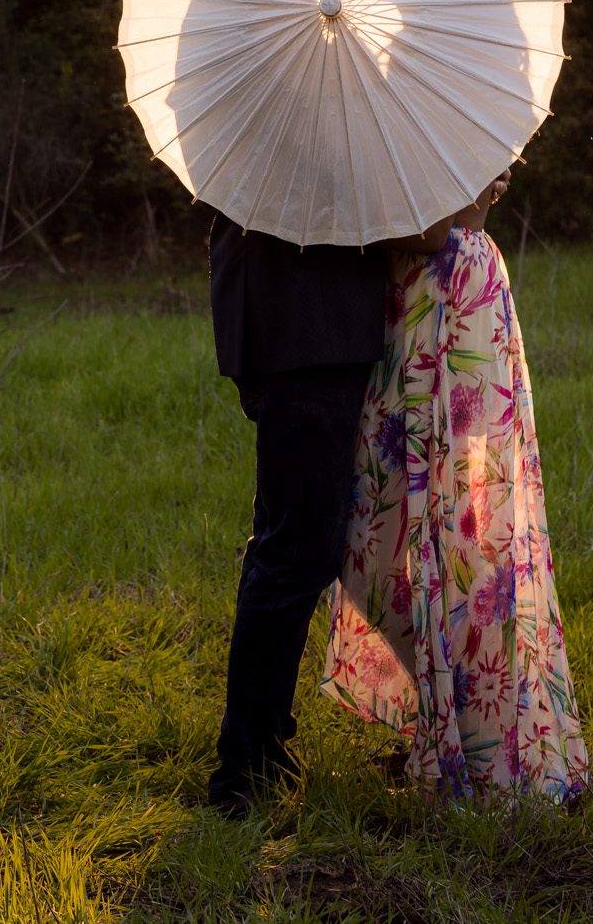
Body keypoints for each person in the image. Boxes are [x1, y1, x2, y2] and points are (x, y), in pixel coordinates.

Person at [319, 170, 589, 801]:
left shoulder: (432, 95)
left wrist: (352, 228)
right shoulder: (396, 109)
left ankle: (475, 733)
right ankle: (451, 716)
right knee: (385, 537)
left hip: (451, 301)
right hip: (414, 309)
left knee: (461, 523)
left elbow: (442, 226)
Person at [202, 197, 453, 814]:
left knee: (284, 542)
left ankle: (257, 746)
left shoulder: (288, 115)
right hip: (306, 339)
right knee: (296, 552)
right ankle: (243, 773)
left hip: (288, 331)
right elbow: (417, 231)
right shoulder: (326, 113)